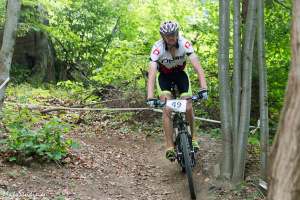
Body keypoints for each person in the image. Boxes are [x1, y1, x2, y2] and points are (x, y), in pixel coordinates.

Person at [146, 21, 208, 161]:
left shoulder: (185, 43)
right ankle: (169, 146)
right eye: (167, 35)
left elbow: (197, 67)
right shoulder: (157, 48)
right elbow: (152, 74)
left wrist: (203, 87)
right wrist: (150, 96)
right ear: (163, 36)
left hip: (181, 75)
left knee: (188, 105)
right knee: (167, 108)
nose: (171, 37)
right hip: (164, 77)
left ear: (177, 33)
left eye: (173, 34)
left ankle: (194, 138)